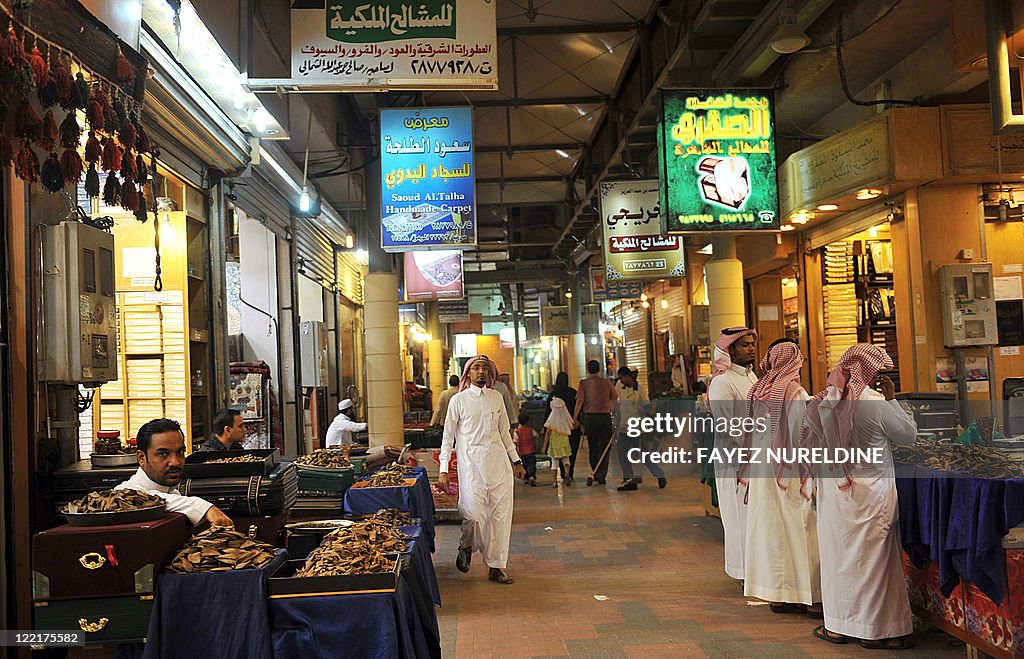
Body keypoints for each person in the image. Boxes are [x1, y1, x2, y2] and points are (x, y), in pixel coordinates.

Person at [803, 344, 916, 650]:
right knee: (878, 563)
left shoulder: (823, 403)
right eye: (880, 373)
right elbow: (908, 435)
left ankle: (839, 628)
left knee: (840, 561)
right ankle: (885, 632)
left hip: (836, 498)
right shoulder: (877, 404)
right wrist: (893, 399)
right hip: (871, 496)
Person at [739, 339, 821, 616]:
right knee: (796, 527)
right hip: (787, 469)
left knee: (771, 530)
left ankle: (777, 595)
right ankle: (799, 595)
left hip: (763, 470)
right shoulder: (794, 391)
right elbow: (800, 433)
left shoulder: (758, 389)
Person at [439, 355, 526, 585]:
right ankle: (466, 545)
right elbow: (447, 438)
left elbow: (504, 433)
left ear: (489, 374)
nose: (480, 372)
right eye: (476, 368)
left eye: (484, 368)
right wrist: (443, 469)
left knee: (500, 517)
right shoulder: (458, 401)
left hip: (498, 466)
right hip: (471, 467)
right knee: (474, 513)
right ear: (468, 373)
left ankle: (496, 566)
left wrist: (516, 461)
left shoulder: (496, 398)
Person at [707, 327, 759, 582]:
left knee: (753, 519)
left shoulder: (752, 377)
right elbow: (728, 427)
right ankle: (742, 574)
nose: (751, 348)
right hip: (735, 461)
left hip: (755, 459)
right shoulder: (722, 382)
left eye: (752, 344)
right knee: (738, 518)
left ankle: (757, 571)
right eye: (744, 345)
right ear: (729, 349)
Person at [116, 418, 233, 527]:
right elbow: (145, 500)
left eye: (180, 452)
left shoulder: (173, 494)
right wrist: (204, 507)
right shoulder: (123, 494)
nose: (175, 462)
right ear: (141, 458)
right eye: (163, 454)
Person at [615, 366, 666, 491]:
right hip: (623, 428)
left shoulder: (640, 390)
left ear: (627, 376)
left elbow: (648, 408)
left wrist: (642, 409)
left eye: (622, 378)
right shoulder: (618, 386)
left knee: (645, 456)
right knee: (623, 455)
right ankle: (630, 481)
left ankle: (660, 475)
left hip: (638, 429)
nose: (620, 380)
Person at [573, 359, 618, 487]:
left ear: (587, 369)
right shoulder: (606, 383)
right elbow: (615, 397)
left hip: (590, 418)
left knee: (593, 446)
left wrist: (574, 418)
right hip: (604, 417)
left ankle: (596, 471)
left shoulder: (583, 384)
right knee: (604, 446)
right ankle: (601, 473)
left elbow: (579, 401)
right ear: (599, 369)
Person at [547, 372, 581, 482]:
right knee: (571, 451)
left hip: (557, 429)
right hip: (571, 427)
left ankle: (562, 473)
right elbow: (579, 408)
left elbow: (548, 413)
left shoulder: (553, 395)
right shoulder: (573, 393)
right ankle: (569, 473)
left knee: (558, 452)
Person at [542, 398, 574, 488]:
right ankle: (567, 473)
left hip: (554, 443)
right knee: (566, 460)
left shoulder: (551, 420)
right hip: (564, 442)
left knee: (554, 462)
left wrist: (544, 446)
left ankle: (555, 482)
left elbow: (547, 433)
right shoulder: (565, 419)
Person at [514, 411, 537, 486]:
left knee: (525, 465)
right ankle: (532, 476)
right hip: (531, 451)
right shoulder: (530, 430)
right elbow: (537, 436)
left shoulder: (517, 431)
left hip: (522, 452)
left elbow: (515, 441)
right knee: (532, 464)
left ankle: (526, 478)